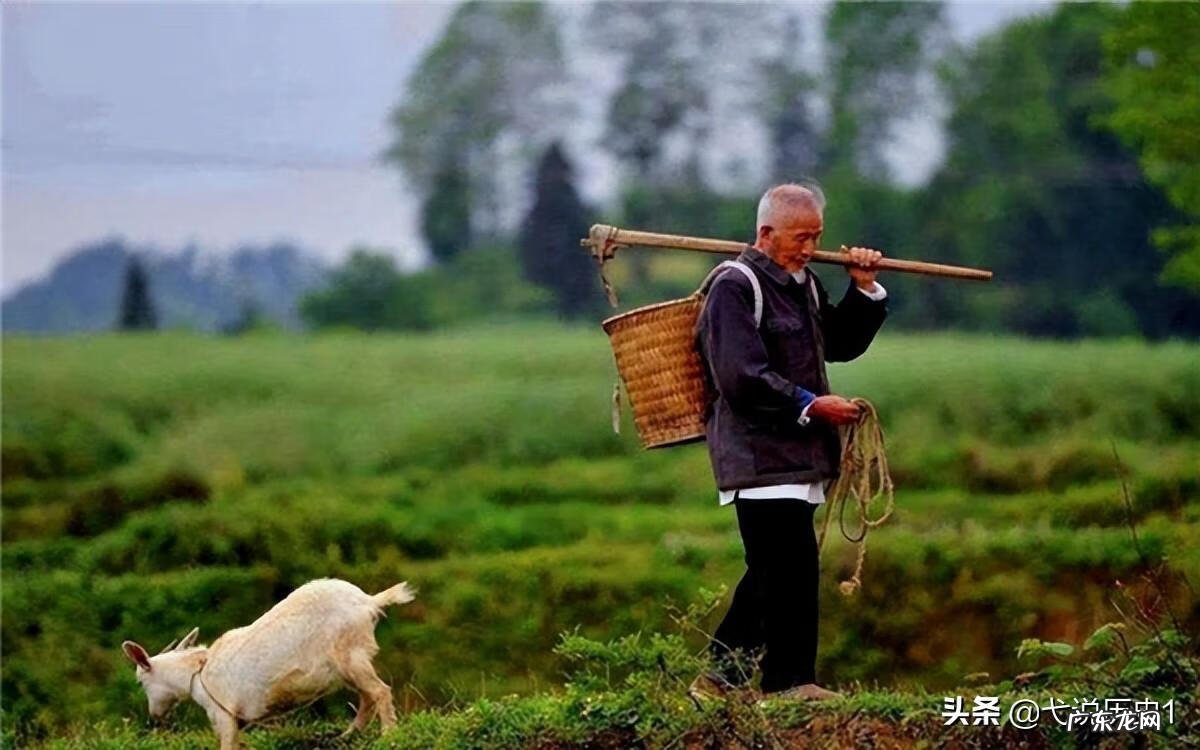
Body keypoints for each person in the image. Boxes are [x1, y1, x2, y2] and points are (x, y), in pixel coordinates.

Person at [692, 183, 887, 701]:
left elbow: (839, 345)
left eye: (816, 238)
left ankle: (724, 680)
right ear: (766, 233)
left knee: (777, 572)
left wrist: (864, 289)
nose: (808, 249)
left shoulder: (804, 283)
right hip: (757, 454)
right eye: (800, 238)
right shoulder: (735, 287)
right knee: (784, 568)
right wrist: (811, 403)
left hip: (800, 455)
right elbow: (740, 376)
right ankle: (786, 682)